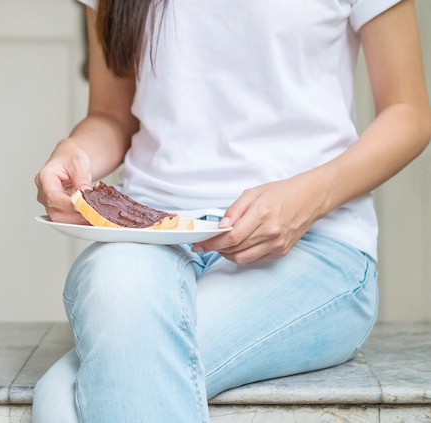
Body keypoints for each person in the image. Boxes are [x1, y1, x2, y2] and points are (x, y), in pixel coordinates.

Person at [33, 0, 431, 421]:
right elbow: (111, 115)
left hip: (314, 245)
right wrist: (76, 153)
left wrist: (308, 198)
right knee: (101, 320)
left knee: (62, 395)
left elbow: (409, 114)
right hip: (150, 233)